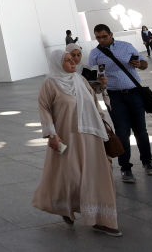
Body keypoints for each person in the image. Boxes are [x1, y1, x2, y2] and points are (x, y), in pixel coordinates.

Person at [32, 48, 121, 236]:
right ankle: (65, 206)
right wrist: (51, 134)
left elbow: (94, 104)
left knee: (96, 175)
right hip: (68, 137)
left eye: (72, 59)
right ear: (57, 63)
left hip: (91, 136)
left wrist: (101, 122)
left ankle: (101, 218)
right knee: (70, 176)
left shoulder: (80, 80)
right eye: (66, 60)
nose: (72, 62)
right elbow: (44, 109)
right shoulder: (50, 84)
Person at [88, 24, 152, 183]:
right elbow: (92, 77)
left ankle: (148, 163)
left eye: (104, 36)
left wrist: (139, 64)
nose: (101, 40)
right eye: (98, 37)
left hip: (134, 93)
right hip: (114, 96)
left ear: (111, 34)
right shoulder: (95, 54)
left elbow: (144, 64)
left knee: (141, 130)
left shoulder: (126, 46)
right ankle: (126, 168)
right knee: (122, 132)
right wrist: (98, 82)